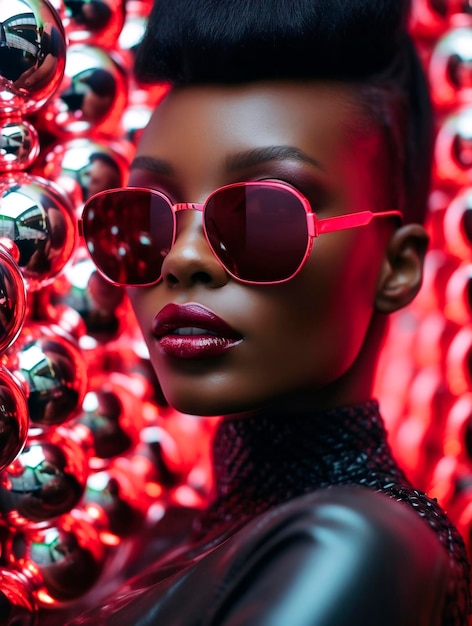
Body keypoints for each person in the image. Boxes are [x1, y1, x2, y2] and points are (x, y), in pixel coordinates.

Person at [73, 0, 471, 624]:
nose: (182, 259)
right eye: (142, 218)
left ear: (396, 267)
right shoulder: (162, 541)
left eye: (261, 215)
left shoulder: (353, 545)